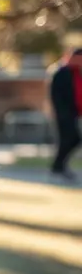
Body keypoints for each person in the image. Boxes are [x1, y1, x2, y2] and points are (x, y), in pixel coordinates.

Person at [49, 48, 82, 181]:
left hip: (74, 113)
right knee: (69, 139)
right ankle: (58, 167)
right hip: (63, 114)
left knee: (73, 139)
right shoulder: (61, 73)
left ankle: (59, 166)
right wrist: (61, 112)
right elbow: (56, 96)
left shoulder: (76, 72)